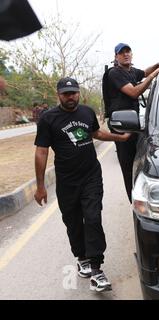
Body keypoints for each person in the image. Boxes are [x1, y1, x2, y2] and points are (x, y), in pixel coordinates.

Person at [34, 77, 131, 292]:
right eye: (66, 93)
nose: (71, 97)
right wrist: (40, 186)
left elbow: (96, 133)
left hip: (91, 176)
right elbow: (41, 152)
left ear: (79, 93)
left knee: (93, 217)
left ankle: (97, 269)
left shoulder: (87, 112)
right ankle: (82, 257)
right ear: (58, 95)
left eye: (74, 92)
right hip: (67, 181)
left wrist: (120, 138)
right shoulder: (48, 119)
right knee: (73, 222)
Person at [107, 42, 159, 202]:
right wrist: (154, 74)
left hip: (136, 124)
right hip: (122, 126)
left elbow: (143, 72)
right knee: (128, 167)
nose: (126, 54)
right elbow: (134, 92)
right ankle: (133, 201)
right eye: (122, 53)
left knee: (143, 163)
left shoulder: (130, 71)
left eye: (128, 52)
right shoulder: (114, 73)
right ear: (116, 57)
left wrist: (157, 64)